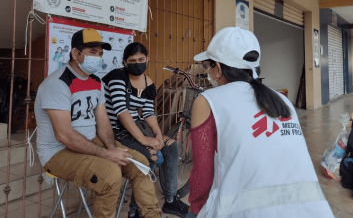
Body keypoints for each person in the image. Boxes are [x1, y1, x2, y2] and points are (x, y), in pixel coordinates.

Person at [187, 27, 334, 218]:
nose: (208, 71)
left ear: (218, 69)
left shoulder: (208, 100)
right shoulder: (280, 99)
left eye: (208, 65)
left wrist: (197, 210)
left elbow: (202, 176)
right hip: (313, 210)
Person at [35, 29, 162, 218]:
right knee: (111, 175)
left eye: (100, 54)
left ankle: (152, 215)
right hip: (58, 152)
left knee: (141, 165)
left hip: (90, 142)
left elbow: (103, 123)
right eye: (92, 52)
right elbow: (64, 135)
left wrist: (112, 149)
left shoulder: (96, 82)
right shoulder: (58, 83)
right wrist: (106, 154)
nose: (98, 57)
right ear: (75, 54)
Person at [102, 42, 189, 218]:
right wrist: (144, 140)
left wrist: (157, 134)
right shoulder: (117, 77)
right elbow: (121, 112)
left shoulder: (148, 82)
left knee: (170, 146)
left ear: (147, 59)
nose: (137, 63)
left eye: (141, 59)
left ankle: (171, 201)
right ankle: (136, 210)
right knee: (148, 154)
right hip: (116, 131)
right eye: (132, 60)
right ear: (125, 62)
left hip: (137, 127)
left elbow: (148, 112)